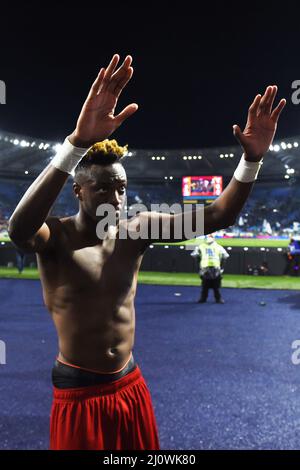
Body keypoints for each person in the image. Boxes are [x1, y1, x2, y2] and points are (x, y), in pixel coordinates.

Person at [8, 53, 286, 450]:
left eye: (121, 187)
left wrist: (252, 159)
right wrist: (76, 144)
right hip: (79, 392)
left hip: (130, 382)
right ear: (78, 189)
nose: (116, 197)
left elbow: (219, 216)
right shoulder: (56, 236)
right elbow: (19, 230)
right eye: (103, 186)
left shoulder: (138, 229)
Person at [191, 234, 229, 303]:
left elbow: (194, 255)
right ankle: (217, 299)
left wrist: (198, 266)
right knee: (215, 286)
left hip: (205, 267)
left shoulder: (201, 246)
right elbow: (225, 256)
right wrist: (222, 268)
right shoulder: (218, 246)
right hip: (215, 267)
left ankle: (204, 298)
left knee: (205, 285)